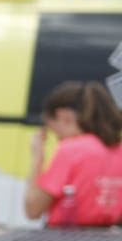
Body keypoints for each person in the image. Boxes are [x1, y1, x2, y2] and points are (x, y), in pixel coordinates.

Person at [25, 81, 122, 227]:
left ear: (63, 116)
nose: (58, 138)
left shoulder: (71, 149)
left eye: (54, 130)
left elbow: (33, 209)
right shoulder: (118, 148)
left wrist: (38, 157)